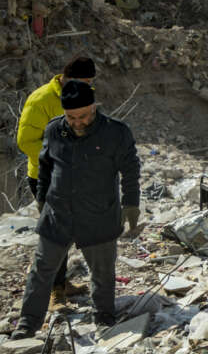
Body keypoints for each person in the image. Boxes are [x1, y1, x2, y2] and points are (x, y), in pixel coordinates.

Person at [13, 81, 140, 337]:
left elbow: (130, 169)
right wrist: (41, 197)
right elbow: (45, 166)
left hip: (99, 214)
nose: (77, 122)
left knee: (103, 271)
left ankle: (104, 317)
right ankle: (27, 324)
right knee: (42, 270)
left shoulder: (116, 133)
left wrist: (131, 203)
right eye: (71, 117)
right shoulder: (54, 130)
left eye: (83, 116)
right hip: (58, 214)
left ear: (94, 107)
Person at [16, 55, 98, 302]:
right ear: (67, 78)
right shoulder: (41, 100)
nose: (87, 87)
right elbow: (25, 141)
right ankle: (53, 294)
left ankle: (61, 284)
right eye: (84, 82)